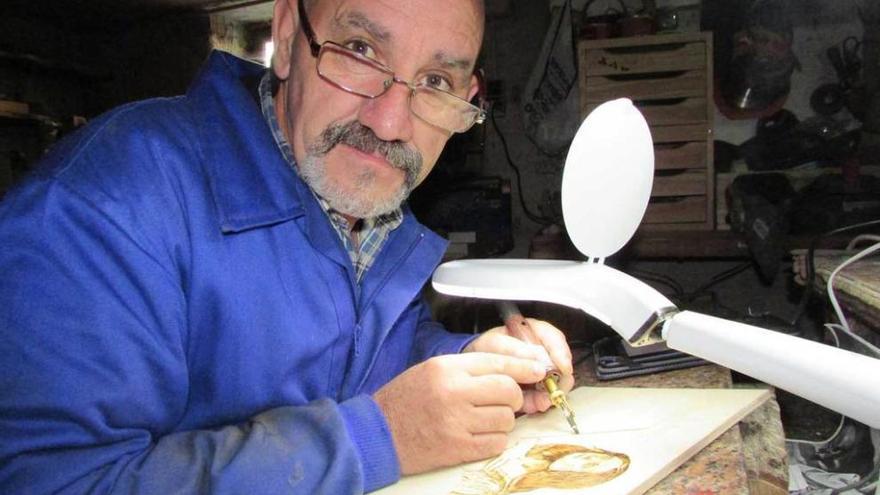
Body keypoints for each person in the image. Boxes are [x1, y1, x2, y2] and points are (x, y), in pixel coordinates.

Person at [0, 0, 575, 492]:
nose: (392, 122)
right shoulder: (101, 204)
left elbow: (358, 356)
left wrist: (470, 365)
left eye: (436, 82)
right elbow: (55, 481)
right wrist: (379, 438)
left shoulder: (371, 213)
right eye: (360, 49)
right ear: (285, 35)